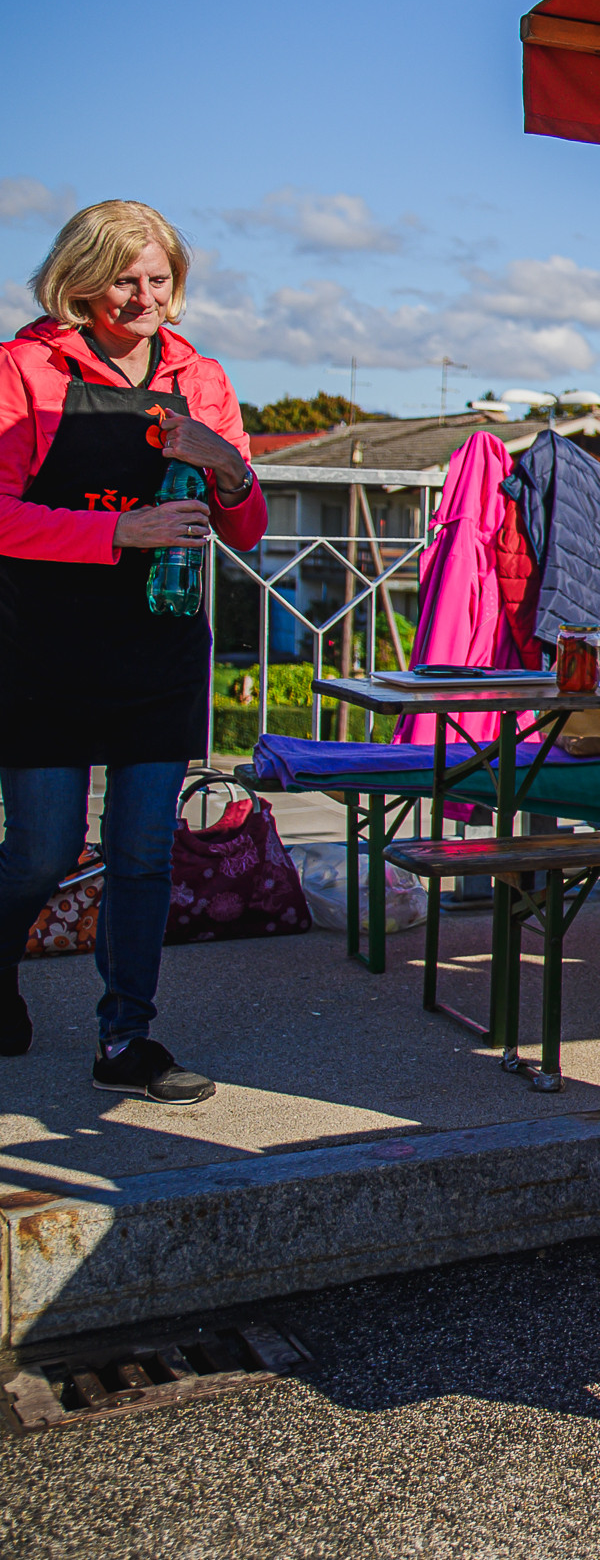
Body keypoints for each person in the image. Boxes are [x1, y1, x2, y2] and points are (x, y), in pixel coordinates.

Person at [0, 200, 268, 1095]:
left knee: (146, 850)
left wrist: (227, 465)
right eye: (125, 278)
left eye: (159, 278)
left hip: (158, 649)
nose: (145, 295)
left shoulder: (201, 377)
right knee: (43, 852)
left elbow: (251, 527)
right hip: (41, 647)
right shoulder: (22, 369)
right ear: (79, 280)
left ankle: (126, 1040)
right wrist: (125, 532)